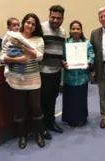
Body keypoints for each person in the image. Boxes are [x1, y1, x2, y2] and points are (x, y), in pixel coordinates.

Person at [0, 13, 45, 149]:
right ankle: (22, 136)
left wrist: (22, 47)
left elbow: (40, 57)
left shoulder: (38, 40)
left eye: (33, 24)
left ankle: (39, 134)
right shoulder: (11, 37)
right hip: (16, 80)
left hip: (33, 79)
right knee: (19, 109)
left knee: (36, 107)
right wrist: (16, 60)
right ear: (23, 23)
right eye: (28, 22)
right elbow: (2, 57)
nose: (30, 25)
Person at [62, 20, 95, 127]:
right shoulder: (66, 43)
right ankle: (70, 119)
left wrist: (89, 61)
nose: (75, 31)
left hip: (82, 77)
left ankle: (81, 119)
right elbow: (62, 57)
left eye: (78, 28)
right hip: (69, 77)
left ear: (81, 30)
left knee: (81, 99)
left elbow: (92, 55)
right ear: (70, 30)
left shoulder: (86, 43)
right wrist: (63, 63)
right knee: (70, 99)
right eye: (73, 28)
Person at [41, 5, 65, 139]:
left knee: (53, 97)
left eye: (58, 18)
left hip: (57, 71)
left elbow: (59, 51)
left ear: (63, 18)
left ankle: (51, 122)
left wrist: (63, 62)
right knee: (44, 99)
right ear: (49, 15)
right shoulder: (42, 28)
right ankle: (43, 126)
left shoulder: (63, 31)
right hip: (43, 71)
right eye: (53, 17)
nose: (55, 20)